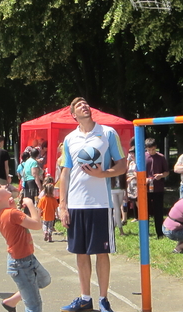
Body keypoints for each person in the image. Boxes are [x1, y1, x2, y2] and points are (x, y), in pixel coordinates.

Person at [58, 97, 127, 312]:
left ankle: (103, 299)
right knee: (81, 252)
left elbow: (123, 166)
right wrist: (63, 205)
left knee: (101, 252)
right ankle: (85, 298)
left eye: (86, 104)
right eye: (79, 105)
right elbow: (65, 173)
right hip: (77, 204)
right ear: (73, 115)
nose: (84, 106)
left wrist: (102, 173)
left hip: (101, 203)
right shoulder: (70, 139)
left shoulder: (107, 133)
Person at [0, 181, 51, 312]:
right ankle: (23, 295)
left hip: (25, 259)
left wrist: (14, 208)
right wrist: (30, 204)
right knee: (34, 305)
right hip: (21, 263)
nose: (4, 186)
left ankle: (11, 302)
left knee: (44, 279)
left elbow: (15, 225)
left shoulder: (3, 214)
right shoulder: (12, 214)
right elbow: (37, 225)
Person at [145, 138, 169, 238]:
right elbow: (136, 171)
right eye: (149, 150)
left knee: (158, 211)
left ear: (156, 148)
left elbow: (167, 172)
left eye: (153, 149)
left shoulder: (161, 157)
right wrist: (144, 179)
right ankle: (145, 232)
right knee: (145, 211)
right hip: (145, 188)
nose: (151, 152)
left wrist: (161, 175)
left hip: (158, 188)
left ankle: (160, 233)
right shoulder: (143, 156)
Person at [126, 147, 138, 222]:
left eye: (133, 153)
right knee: (133, 200)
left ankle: (141, 217)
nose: (131, 155)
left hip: (136, 184)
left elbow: (139, 174)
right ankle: (136, 216)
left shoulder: (138, 163)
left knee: (137, 201)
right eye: (130, 153)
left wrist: (132, 177)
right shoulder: (131, 163)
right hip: (130, 184)